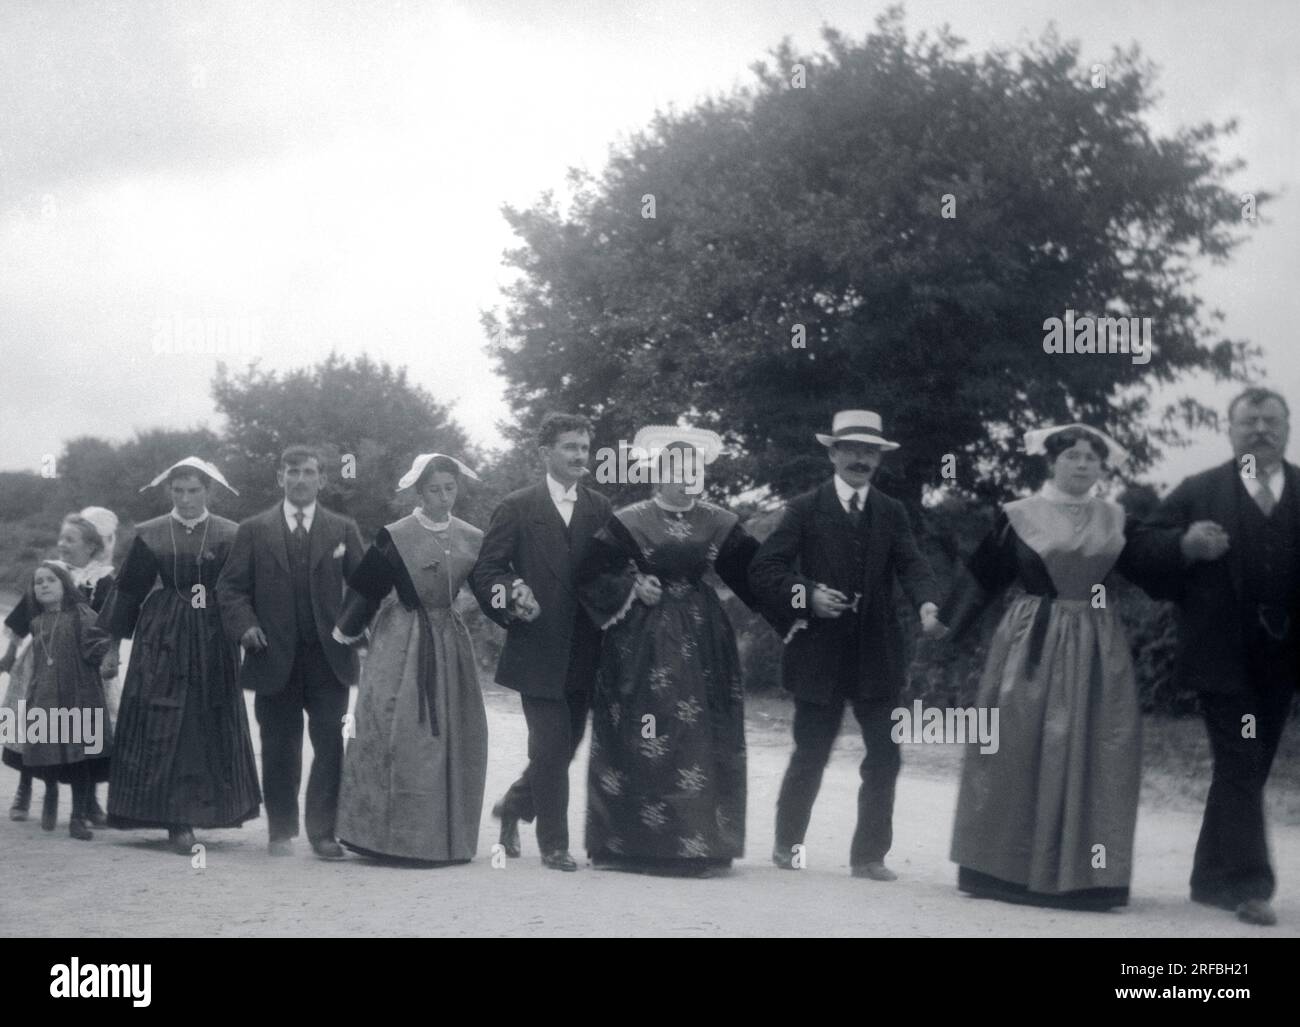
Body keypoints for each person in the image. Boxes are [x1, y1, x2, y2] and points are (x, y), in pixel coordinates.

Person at [939, 424, 1153, 910]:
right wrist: (945, 629)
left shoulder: (1117, 519)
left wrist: (1187, 552)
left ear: (1102, 467)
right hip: (1029, 642)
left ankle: (1086, 877)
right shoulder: (1019, 516)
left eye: (1092, 457)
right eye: (1072, 455)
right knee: (1015, 744)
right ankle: (1002, 870)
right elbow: (981, 578)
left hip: (1097, 646)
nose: (1082, 464)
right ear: (1052, 461)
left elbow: (1153, 563)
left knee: (1097, 747)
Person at [1126, 387, 1299, 926]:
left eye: (1271, 421)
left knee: (1247, 767)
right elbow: (1137, 548)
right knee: (1241, 762)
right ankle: (1249, 886)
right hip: (1222, 656)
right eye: (1249, 422)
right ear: (1230, 430)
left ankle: (1209, 878)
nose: (1261, 431)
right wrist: (1183, 545)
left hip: (1285, 658)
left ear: (1288, 428)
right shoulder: (1199, 491)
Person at [749, 409, 943, 880]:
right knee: (811, 751)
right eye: (852, 449)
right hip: (819, 652)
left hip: (878, 652)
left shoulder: (891, 512)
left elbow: (913, 566)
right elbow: (765, 571)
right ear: (833, 453)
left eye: (870, 451)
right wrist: (808, 596)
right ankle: (788, 845)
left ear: (879, 459)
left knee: (885, 754)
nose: (861, 458)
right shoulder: (803, 508)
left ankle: (869, 856)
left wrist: (928, 605)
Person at [576, 427, 761, 876]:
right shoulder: (628, 521)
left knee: (700, 733)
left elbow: (758, 575)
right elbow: (587, 575)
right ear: (657, 475)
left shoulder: (718, 522)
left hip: (703, 639)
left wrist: (801, 597)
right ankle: (628, 844)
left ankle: (702, 845)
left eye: (693, 471)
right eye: (675, 471)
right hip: (641, 639)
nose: (685, 479)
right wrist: (631, 584)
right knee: (645, 729)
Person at [470, 413, 613, 871]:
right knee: (549, 748)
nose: (578, 456)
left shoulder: (600, 507)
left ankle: (513, 806)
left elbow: (613, 571)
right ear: (544, 453)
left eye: (584, 448)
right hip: (538, 648)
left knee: (566, 747)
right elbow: (486, 571)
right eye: (569, 446)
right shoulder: (516, 506)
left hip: (588, 650)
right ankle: (554, 844)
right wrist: (510, 594)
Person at [98, 458, 261, 854]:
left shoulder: (230, 533)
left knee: (206, 718)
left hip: (213, 634)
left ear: (208, 491)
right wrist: (110, 647)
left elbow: (243, 590)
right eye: (178, 491)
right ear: (169, 491)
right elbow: (129, 592)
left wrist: (250, 631)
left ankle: (207, 810)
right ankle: (170, 817)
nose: (186, 499)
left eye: (194, 491)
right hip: (163, 632)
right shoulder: (150, 533)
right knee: (161, 715)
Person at [332, 454, 487, 863]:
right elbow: (366, 588)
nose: (442, 497)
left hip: (449, 638)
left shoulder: (470, 536)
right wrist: (347, 630)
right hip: (401, 637)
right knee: (394, 728)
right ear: (419, 492)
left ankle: (441, 838)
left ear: (457, 490)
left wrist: (513, 604)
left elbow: (489, 587)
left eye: (449, 489)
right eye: (434, 490)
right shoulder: (396, 536)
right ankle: (383, 837)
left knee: (450, 733)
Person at [216, 445, 364, 860]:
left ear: (323, 479)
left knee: (331, 743)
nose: (300, 479)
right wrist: (245, 625)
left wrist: (349, 628)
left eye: (309, 472)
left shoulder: (342, 528)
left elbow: (366, 586)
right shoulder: (253, 529)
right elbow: (229, 588)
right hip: (272, 657)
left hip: (328, 658)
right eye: (292, 472)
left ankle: (323, 832)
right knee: (279, 745)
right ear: (280, 478)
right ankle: (281, 829)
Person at [2, 507, 120, 826]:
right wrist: (11, 649)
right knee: (35, 721)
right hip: (43, 658)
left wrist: (110, 653)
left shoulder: (104, 578)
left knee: (86, 728)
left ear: (91, 546)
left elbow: (110, 621)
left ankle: (89, 800)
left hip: (86, 665)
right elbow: (26, 612)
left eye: (71, 540)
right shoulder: (49, 571)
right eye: (61, 538)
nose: (63, 545)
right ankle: (24, 789)